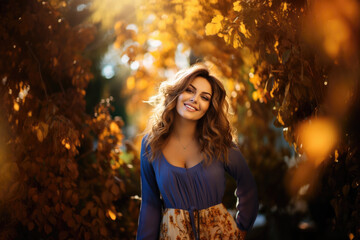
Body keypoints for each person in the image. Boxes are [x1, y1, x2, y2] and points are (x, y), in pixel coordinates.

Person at [136, 63, 258, 240]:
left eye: (205, 97)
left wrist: (241, 227)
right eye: (189, 90)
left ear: (210, 106)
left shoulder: (219, 142)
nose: (194, 99)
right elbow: (150, 204)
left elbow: (247, 185)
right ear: (177, 92)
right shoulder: (151, 144)